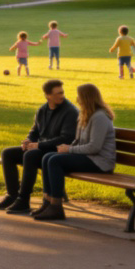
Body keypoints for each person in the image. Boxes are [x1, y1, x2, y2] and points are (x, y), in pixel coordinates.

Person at [0, 79, 78, 214]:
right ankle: (12, 196)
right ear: (47, 95)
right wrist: (28, 140)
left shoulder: (70, 111)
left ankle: (23, 200)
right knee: (7, 153)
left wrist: (38, 145)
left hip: (57, 151)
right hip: (41, 148)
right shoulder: (42, 110)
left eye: (62, 92)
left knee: (31, 155)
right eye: (57, 93)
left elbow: (66, 138)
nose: (61, 96)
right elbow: (35, 131)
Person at [35, 83, 116, 221]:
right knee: (48, 157)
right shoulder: (85, 114)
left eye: (79, 96)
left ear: (86, 98)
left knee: (55, 160)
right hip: (87, 157)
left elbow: (94, 147)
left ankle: (56, 207)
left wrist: (69, 150)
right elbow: (78, 141)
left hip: (100, 162)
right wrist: (65, 148)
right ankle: (48, 202)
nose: (77, 99)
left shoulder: (99, 117)